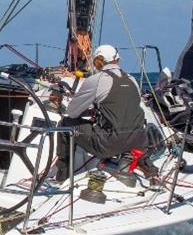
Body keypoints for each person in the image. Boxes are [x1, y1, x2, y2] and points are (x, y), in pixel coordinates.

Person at [51, 44, 149, 182]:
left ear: (98, 62)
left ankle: (62, 175)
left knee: (65, 125)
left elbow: (72, 112)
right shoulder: (132, 80)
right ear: (117, 60)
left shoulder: (96, 80)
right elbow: (123, 109)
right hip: (137, 143)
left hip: (108, 145)